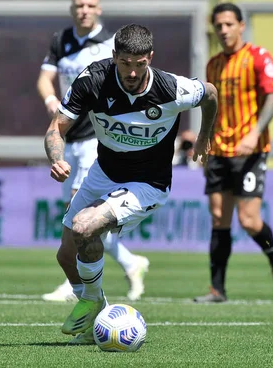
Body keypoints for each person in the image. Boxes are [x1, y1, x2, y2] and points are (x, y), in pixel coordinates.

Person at [44, 23, 218, 345]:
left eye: (140, 64)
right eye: (125, 63)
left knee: (84, 227)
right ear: (114, 57)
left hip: (148, 183)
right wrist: (56, 157)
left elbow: (210, 94)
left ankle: (92, 303)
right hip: (104, 172)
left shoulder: (172, 89)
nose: (133, 72)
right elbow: (56, 128)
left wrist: (205, 134)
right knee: (66, 256)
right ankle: (98, 317)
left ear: (150, 58)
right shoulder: (92, 80)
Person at [37, 0, 149, 303]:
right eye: (79, 5)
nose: (84, 10)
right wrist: (50, 99)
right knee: (77, 218)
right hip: (68, 135)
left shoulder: (111, 46)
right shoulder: (62, 41)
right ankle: (131, 262)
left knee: (79, 217)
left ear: (99, 9)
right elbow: (45, 77)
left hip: (94, 140)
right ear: (71, 9)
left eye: (90, 5)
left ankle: (74, 282)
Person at [193, 2, 273, 303]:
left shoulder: (258, 57)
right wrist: (203, 139)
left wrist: (255, 131)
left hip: (251, 151)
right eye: (218, 26)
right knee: (219, 217)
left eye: (228, 24)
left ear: (240, 25)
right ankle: (217, 289)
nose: (223, 30)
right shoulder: (213, 65)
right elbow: (210, 107)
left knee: (249, 221)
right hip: (220, 150)